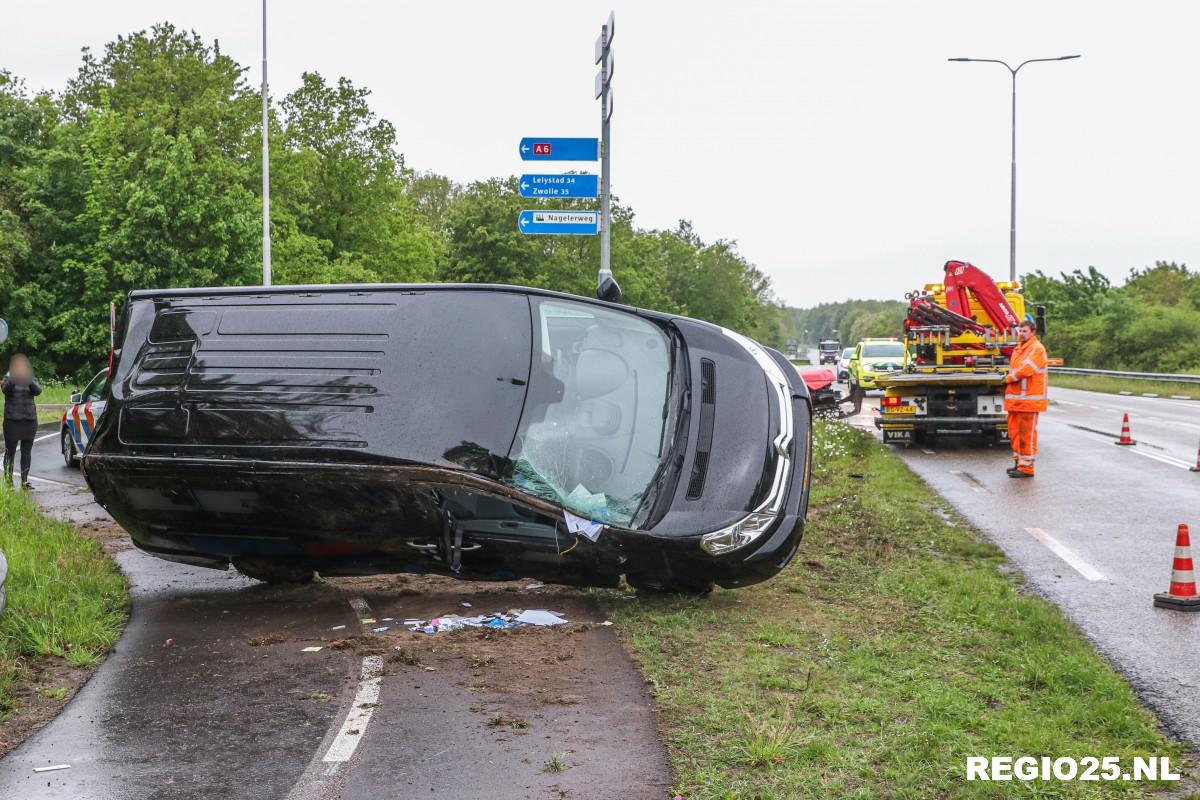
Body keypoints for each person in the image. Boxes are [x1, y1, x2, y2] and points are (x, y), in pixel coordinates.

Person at [1003, 320, 1048, 478]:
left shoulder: (1037, 349)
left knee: (1026, 435)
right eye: (1020, 331)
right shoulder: (1019, 349)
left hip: (1029, 401)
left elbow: (1027, 369)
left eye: (1024, 331)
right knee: (1015, 433)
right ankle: (1019, 463)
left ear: (1033, 332)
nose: (1021, 334)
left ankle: (1027, 468)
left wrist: (1008, 378)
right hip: (1016, 402)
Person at [2, 354, 41, 490]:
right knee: (10, 452)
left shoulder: (31, 378)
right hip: (12, 421)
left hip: (29, 421)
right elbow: (5, 390)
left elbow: (38, 391)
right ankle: (9, 482)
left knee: (26, 452)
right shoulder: (8, 377)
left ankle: (24, 481)